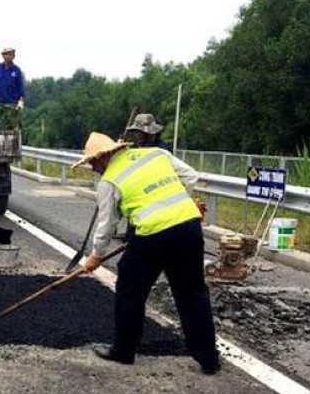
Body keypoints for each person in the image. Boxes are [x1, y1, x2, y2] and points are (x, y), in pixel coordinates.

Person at [75, 131, 221, 375]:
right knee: (192, 295)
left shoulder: (109, 181)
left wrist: (96, 256)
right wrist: (180, 202)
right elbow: (192, 177)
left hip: (153, 236)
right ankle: (209, 359)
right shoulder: (156, 154)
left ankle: (124, 350)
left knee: (130, 290)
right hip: (188, 227)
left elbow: (107, 225)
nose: (92, 168)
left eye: (91, 163)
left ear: (101, 158)